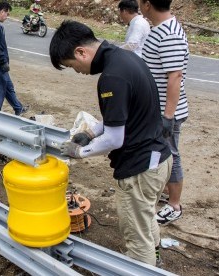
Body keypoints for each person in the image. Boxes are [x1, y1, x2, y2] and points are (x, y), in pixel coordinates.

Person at [50, 20, 172, 266]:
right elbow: (123, 115)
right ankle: (155, 258)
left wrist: (79, 151)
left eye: (72, 66)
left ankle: (144, 268)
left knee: (137, 240)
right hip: (159, 160)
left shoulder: (111, 77)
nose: (78, 71)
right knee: (145, 218)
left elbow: (115, 139)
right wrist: (92, 132)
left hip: (139, 170)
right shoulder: (127, 59)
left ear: (81, 52)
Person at [139, 0, 189, 225]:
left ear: (147, 4)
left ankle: (175, 205)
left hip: (167, 112)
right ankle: (167, 194)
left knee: (170, 154)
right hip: (158, 109)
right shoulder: (160, 29)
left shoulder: (169, 34)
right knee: (162, 154)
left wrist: (168, 116)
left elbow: (175, 76)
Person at [0, 2, 28, 116]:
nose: (7, 17)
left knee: (8, 86)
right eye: (7, 14)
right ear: (2, 11)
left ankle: (18, 108)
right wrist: (3, 61)